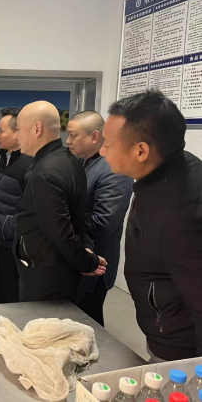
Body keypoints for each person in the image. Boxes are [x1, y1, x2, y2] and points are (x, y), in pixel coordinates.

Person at [101, 89, 202, 362]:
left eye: (108, 144)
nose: (102, 151)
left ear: (141, 151)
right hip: (164, 326)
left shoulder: (182, 213)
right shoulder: (166, 173)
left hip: (180, 350)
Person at [13, 101, 107, 303]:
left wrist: (87, 262)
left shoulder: (46, 172)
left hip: (47, 276)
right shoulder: (69, 161)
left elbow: (60, 232)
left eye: (18, 129)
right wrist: (85, 251)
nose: (16, 136)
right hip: (60, 271)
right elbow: (79, 215)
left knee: (42, 323)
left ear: (37, 129)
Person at [66, 111, 133, 326]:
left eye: (73, 135)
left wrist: (62, 218)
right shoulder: (79, 162)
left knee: (88, 322)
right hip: (76, 256)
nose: (68, 141)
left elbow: (104, 222)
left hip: (96, 262)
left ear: (95, 136)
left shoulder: (114, 170)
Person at [0, 108, 33, 304]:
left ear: (18, 133)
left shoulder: (30, 163)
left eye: (1, 131)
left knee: (11, 289)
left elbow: (29, 209)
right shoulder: (5, 157)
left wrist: (8, 228)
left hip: (11, 242)